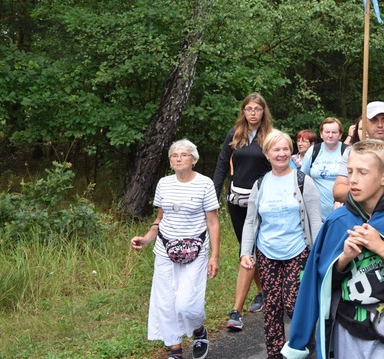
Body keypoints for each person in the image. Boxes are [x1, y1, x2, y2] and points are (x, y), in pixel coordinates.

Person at [282, 139, 384, 359]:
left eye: (363, 172)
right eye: (350, 171)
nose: (353, 179)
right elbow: (314, 282)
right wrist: (342, 260)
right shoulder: (337, 222)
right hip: (346, 332)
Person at [131, 139, 220, 359]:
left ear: (194, 160)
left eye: (184, 154)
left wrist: (215, 257)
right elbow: (160, 218)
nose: (179, 158)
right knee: (166, 302)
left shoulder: (205, 184)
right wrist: (146, 239)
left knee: (188, 304)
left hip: (196, 251)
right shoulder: (164, 183)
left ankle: (198, 330)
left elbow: (213, 222)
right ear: (170, 162)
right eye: (174, 155)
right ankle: (175, 350)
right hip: (165, 249)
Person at [240, 130, 322, 359]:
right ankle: (275, 354)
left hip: (298, 252)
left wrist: (317, 253)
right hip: (267, 254)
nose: (281, 153)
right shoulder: (260, 184)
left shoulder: (304, 182)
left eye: (285, 148)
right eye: (276, 149)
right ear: (267, 154)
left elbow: (315, 220)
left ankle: (302, 347)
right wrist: (246, 252)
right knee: (272, 308)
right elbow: (250, 220)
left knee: (294, 305)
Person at [212, 93, 272, 330]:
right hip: (236, 198)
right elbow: (221, 163)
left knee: (251, 249)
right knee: (245, 248)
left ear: (263, 112)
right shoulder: (235, 133)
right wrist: (213, 195)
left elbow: (277, 166)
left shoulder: (269, 137)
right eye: (249, 109)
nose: (253, 113)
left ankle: (236, 310)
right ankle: (262, 291)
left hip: (259, 199)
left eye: (257, 109)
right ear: (243, 111)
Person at [300, 117, 345, 221]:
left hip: (342, 210)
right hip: (316, 212)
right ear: (321, 134)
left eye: (334, 132)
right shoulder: (313, 151)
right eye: (327, 132)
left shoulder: (347, 151)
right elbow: (302, 177)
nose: (330, 135)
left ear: (340, 135)